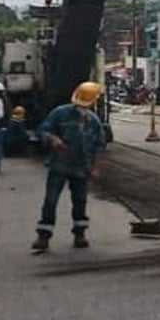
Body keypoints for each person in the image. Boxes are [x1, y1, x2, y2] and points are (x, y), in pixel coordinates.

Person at [31, 81, 108, 253]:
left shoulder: (93, 121)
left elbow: (99, 146)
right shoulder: (60, 113)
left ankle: (80, 234)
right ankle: (43, 236)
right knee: (51, 200)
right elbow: (42, 130)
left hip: (81, 167)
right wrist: (52, 139)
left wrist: (95, 168)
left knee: (80, 201)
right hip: (59, 164)